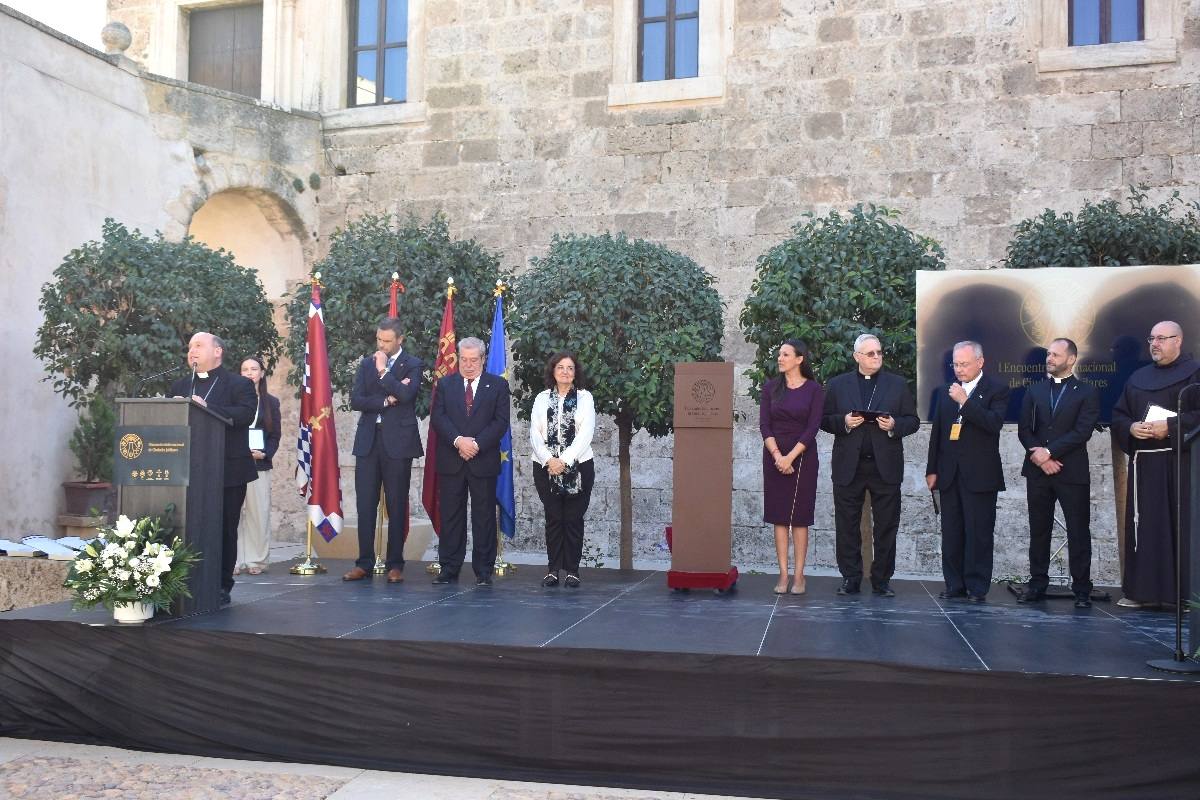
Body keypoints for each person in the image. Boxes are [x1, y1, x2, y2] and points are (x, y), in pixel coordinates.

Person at [820, 334, 919, 597]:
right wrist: (843, 422)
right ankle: (851, 578)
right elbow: (824, 420)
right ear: (857, 357)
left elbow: (913, 420)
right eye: (871, 353)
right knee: (847, 525)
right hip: (848, 466)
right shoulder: (838, 385)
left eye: (879, 352)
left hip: (884, 467)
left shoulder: (897, 385)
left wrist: (894, 426)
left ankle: (881, 580)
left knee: (886, 526)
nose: (877, 357)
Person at [1111, 321, 1200, 609]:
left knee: (1181, 527)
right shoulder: (1138, 377)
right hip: (1146, 466)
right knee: (1145, 526)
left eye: (1162, 338)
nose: (1155, 344)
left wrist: (1171, 426)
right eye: (1151, 338)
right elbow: (1119, 415)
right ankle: (1142, 592)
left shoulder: (1195, 375)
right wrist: (1131, 427)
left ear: (1179, 340)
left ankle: (1185, 596)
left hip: (1182, 465)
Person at [169, 332, 258, 605]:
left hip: (227, 470)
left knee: (224, 528)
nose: (191, 352)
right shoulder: (180, 385)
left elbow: (245, 414)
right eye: (190, 347)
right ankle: (185, 580)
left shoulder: (239, 384)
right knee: (188, 527)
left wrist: (209, 407)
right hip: (186, 470)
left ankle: (221, 584)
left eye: (198, 346)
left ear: (217, 351)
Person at [1016, 338, 1099, 608]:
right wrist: (1040, 458)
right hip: (1039, 472)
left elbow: (1082, 431)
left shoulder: (1086, 391)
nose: (1049, 358)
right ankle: (1037, 583)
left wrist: (1049, 453)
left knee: (1078, 531)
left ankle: (1082, 590)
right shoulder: (1035, 390)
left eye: (1055, 354)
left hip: (1071, 472)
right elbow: (1024, 430)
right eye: (1048, 354)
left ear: (1071, 359)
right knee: (1039, 530)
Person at [925, 341, 1009, 603]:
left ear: (980, 362)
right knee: (952, 532)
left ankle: (977, 587)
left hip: (980, 474)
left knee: (979, 532)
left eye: (964, 364)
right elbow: (937, 433)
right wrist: (932, 469)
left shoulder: (997, 389)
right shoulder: (943, 391)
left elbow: (993, 424)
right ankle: (954, 584)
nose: (959, 370)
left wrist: (965, 403)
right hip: (949, 473)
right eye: (956, 364)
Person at [343, 317, 424, 584]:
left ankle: (395, 564)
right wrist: (385, 401)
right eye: (379, 339)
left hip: (398, 443)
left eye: (387, 341)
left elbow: (406, 395)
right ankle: (363, 562)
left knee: (396, 504)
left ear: (400, 340)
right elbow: (356, 400)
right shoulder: (366, 363)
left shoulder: (412, 364)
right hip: (368, 441)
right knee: (365, 504)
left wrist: (383, 373)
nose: (382, 345)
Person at [430, 336, 511, 586]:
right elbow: (438, 418)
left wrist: (475, 444)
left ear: (483, 359)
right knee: (451, 516)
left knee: (484, 516)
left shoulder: (497, 385)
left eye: (473, 360)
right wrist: (458, 441)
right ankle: (449, 568)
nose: (468, 365)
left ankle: (483, 570)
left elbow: (500, 422)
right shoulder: (445, 384)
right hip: (452, 459)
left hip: (482, 459)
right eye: (463, 360)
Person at [760, 339, 824, 595]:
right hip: (774, 456)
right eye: (779, 354)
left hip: (803, 457)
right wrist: (777, 455)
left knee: (799, 519)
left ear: (800, 359)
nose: (780, 358)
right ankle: (784, 575)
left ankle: (799, 576)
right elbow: (765, 425)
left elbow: (813, 428)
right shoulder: (770, 388)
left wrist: (791, 457)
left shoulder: (814, 390)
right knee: (779, 517)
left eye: (785, 354)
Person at [530, 352, 596, 588]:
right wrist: (549, 460)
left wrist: (564, 460)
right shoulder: (541, 398)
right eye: (560, 367)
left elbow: (586, 433)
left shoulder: (585, 398)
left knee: (573, 519)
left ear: (575, 372)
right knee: (554, 518)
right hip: (545, 467)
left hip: (579, 467)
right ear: (553, 371)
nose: (565, 372)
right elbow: (534, 434)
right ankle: (553, 570)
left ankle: (572, 571)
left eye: (570, 368)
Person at [235, 356, 281, 576]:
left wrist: (264, 453)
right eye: (245, 369)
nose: (249, 373)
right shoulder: (232, 400)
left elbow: (275, 436)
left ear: (262, 373)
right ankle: (233, 560)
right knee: (233, 513)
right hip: (234, 461)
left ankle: (256, 560)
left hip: (258, 465)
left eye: (254, 369)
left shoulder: (271, 403)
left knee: (257, 513)